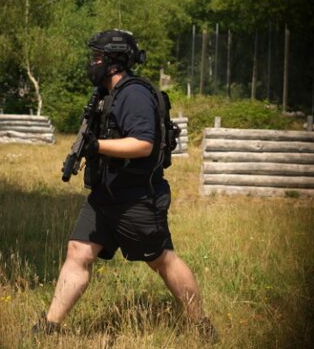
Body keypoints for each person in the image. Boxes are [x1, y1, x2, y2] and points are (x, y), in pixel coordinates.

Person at [33, 29, 218, 343]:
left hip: (136, 198)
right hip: (104, 196)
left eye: (97, 57)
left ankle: (202, 325)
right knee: (78, 252)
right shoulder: (107, 93)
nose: (92, 62)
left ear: (114, 61)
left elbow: (143, 144)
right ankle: (50, 326)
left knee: (161, 259)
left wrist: (97, 146)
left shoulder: (134, 95)